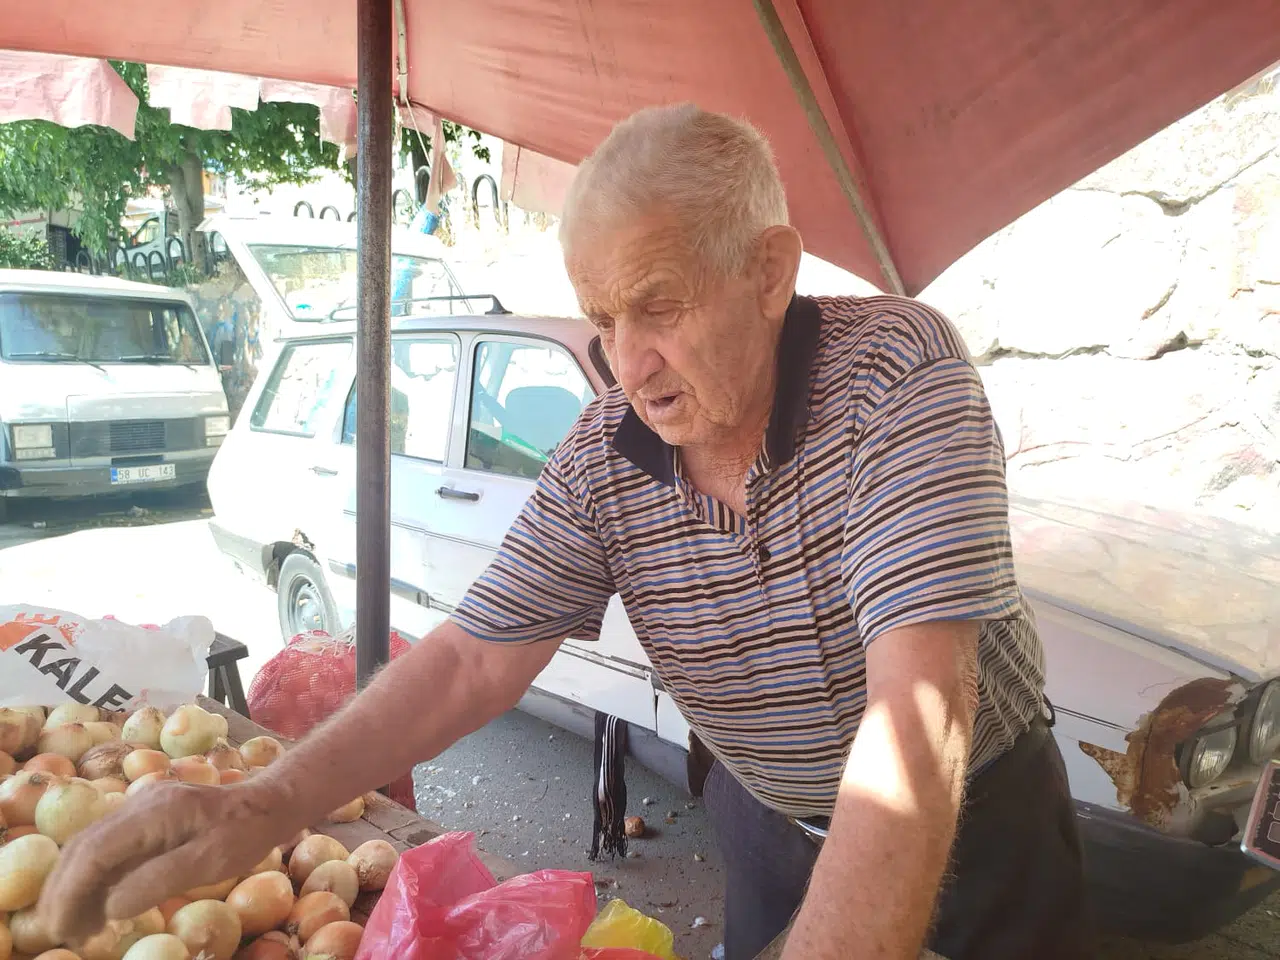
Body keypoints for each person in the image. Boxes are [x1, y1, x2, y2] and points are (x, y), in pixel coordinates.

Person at [38, 104, 1092, 960]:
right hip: (768, 823)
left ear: (769, 270)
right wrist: (260, 806)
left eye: (658, 305)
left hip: (976, 823)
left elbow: (916, 717)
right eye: (602, 320)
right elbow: (467, 662)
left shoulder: (895, 373)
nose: (627, 364)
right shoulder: (604, 451)